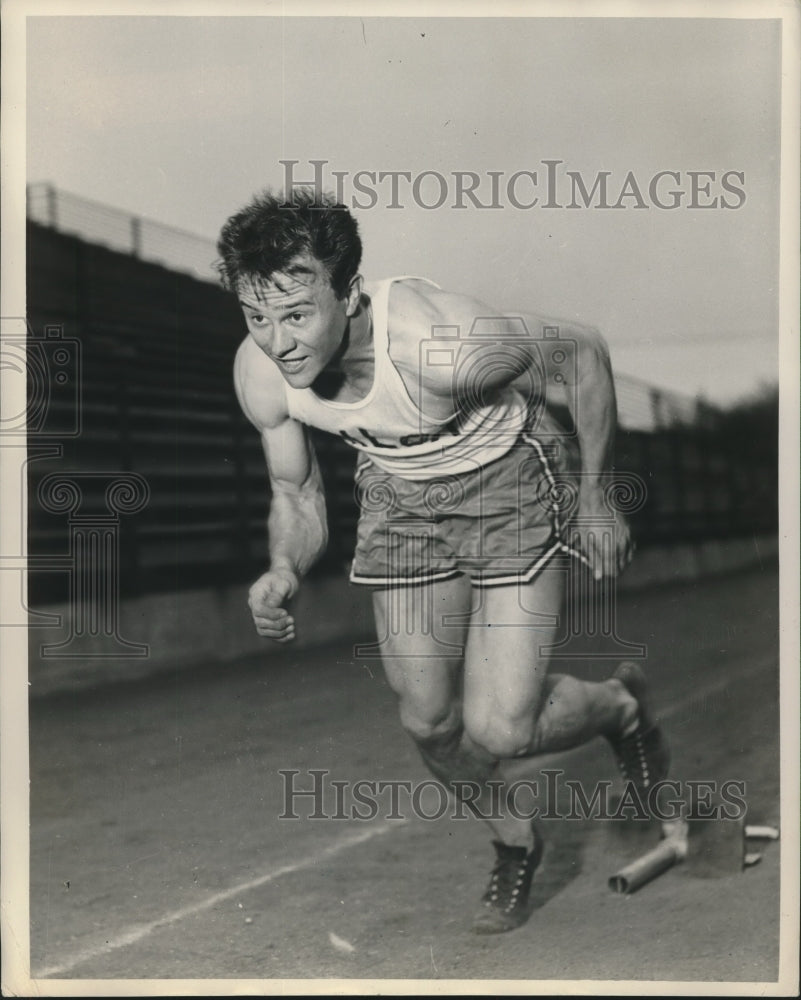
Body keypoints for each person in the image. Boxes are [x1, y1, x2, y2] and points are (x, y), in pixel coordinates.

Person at [217, 188, 670, 934]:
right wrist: (284, 568)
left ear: (350, 293)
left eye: (297, 313)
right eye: (256, 316)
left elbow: (580, 353)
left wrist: (595, 495)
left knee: (501, 731)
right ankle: (513, 841)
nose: (277, 340)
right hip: (398, 493)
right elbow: (295, 491)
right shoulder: (261, 372)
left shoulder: (446, 342)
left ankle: (620, 707)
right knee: (429, 722)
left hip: (508, 478)